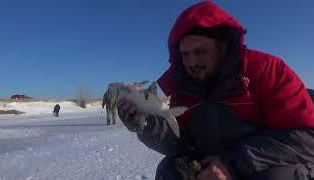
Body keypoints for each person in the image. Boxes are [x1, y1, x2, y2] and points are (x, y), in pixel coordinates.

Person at [117, 1, 314, 180]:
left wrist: (233, 164)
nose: (192, 62)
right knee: (169, 169)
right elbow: (181, 145)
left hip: (264, 165)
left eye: (200, 51)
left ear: (222, 48)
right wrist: (146, 123)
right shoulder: (184, 88)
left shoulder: (268, 70)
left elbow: (306, 138)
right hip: (212, 169)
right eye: (185, 54)